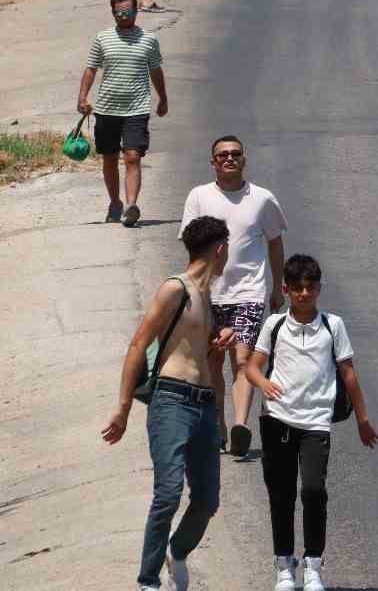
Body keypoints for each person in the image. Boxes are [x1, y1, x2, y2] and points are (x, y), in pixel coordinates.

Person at [102, 215, 232, 591]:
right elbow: (138, 343)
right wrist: (123, 408)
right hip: (172, 400)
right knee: (169, 491)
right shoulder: (175, 289)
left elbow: (198, 355)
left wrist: (214, 345)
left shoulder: (209, 299)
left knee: (207, 500)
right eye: (226, 250)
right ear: (219, 249)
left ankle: (178, 550)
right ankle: (148, 580)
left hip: (204, 404)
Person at [246, 254, 378, 591]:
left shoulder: (332, 326)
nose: (304, 294)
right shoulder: (274, 325)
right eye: (298, 288)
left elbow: (348, 373)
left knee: (313, 490)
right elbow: (252, 366)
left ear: (319, 289)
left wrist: (363, 419)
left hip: (316, 422)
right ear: (286, 289)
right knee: (281, 494)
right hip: (277, 420)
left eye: (310, 288)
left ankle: (313, 565)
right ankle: (283, 566)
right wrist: (263, 384)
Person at [181, 135, 288, 457]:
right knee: (213, 362)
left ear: (244, 160)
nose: (229, 159)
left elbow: (275, 242)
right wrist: (191, 290)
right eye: (222, 155)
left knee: (242, 360)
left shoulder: (262, 199)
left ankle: (240, 424)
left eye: (235, 154)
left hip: (249, 294)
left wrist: (277, 286)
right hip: (209, 294)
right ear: (213, 162)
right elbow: (191, 247)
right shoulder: (199, 197)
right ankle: (218, 428)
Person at [78, 0, 167, 226]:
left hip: (136, 108)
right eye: (119, 13)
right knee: (109, 157)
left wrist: (163, 98)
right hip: (107, 109)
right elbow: (91, 69)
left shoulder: (149, 39)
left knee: (132, 156)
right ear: (113, 13)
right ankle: (115, 202)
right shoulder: (102, 38)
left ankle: (131, 206)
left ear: (136, 11)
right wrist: (83, 97)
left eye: (127, 12)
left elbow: (156, 70)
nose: (123, 16)